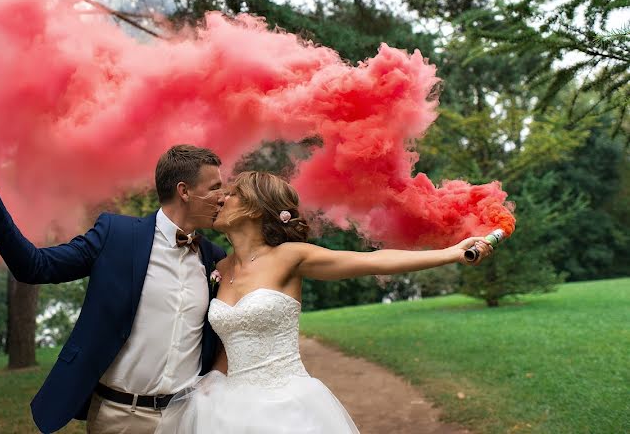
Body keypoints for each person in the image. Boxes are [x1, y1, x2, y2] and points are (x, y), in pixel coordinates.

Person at [155, 170, 494, 434]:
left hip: (286, 407)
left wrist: (450, 254)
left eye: (231, 195)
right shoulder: (219, 268)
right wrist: (210, 384)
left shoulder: (290, 256)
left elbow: (370, 262)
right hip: (226, 412)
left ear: (255, 208)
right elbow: (233, 341)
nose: (220, 200)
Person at [0, 145, 228, 434]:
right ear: (184, 191)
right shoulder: (117, 235)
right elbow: (34, 266)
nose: (222, 197)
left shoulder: (215, 259)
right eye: (215, 188)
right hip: (120, 418)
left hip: (187, 419)